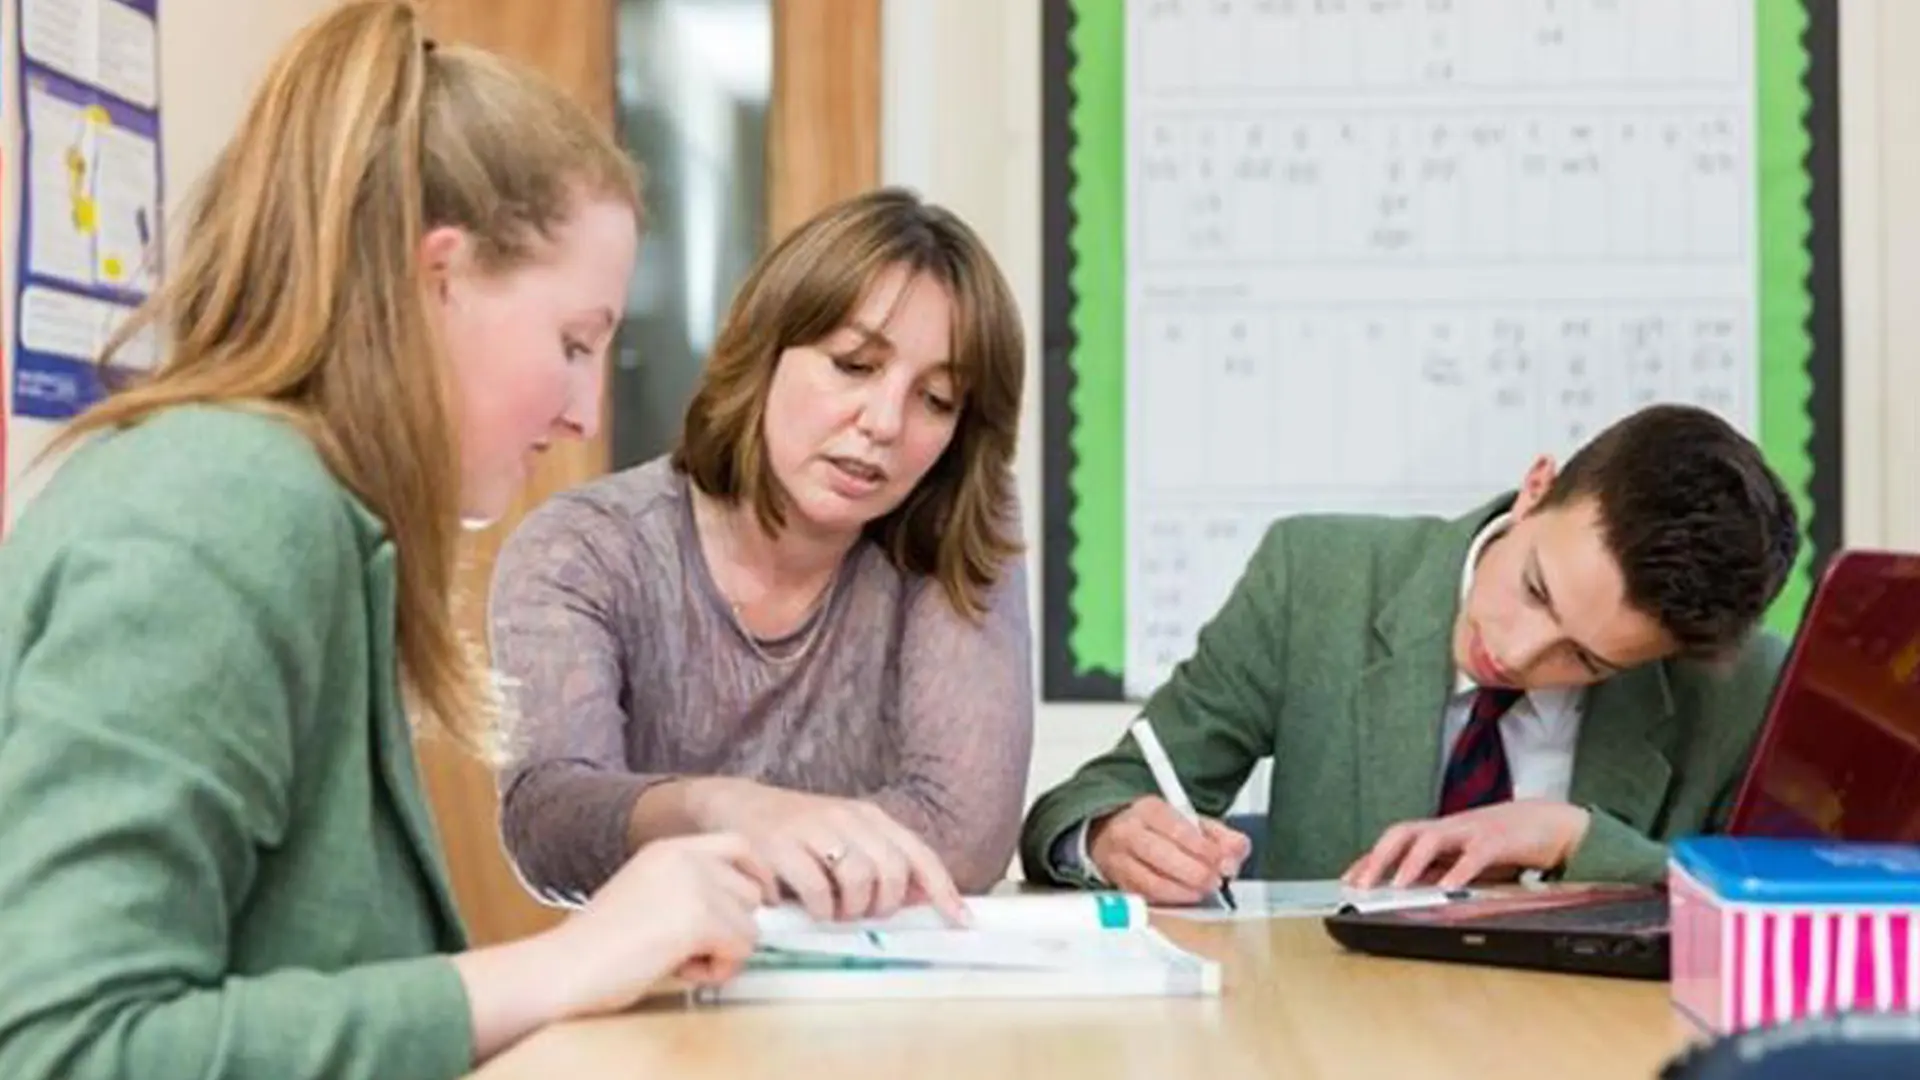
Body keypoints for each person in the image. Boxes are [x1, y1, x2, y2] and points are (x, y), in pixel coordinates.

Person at [0, 5, 775, 1078]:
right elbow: (68, 1048)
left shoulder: (312, 515)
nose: (584, 415)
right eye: (572, 342)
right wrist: (566, 962)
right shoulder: (218, 513)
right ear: (438, 277)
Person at [487, 187, 1033, 924]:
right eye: (854, 365)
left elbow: (967, 840)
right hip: (664, 997)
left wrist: (714, 847)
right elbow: (550, 825)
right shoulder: (583, 548)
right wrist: (725, 809)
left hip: (892, 1015)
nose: (883, 423)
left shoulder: (961, 526)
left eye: (936, 399)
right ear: (766, 348)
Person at [1021, 403, 1801, 903]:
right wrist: (1110, 835)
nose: (1520, 655)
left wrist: (1574, 840)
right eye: (1534, 590)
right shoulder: (1315, 578)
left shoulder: (1741, 688)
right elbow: (1095, 796)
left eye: (1586, 661)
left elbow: (1801, 910)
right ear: (1536, 487)